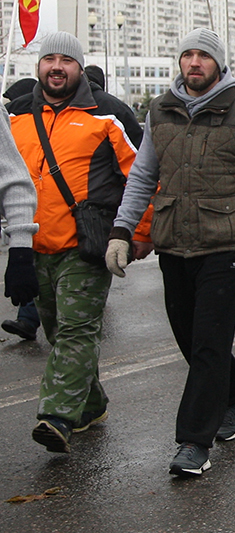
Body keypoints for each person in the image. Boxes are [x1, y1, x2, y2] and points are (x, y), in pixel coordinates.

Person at [106, 28, 235, 476]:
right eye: (187, 55)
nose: (194, 62)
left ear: (218, 64)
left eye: (203, 56)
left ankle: (194, 442)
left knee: (208, 343)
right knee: (192, 339)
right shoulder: (160, 111)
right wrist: (123, 229)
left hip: (224, 242)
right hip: (173, 241)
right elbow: (143, 176)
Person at [7, 32, 146, 453]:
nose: (56, 67)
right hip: (32, 246)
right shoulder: (14, 114)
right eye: (48, 58)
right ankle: (91, 403)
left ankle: (56, 416)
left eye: (65, 60)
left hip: (86, 246)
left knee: (76, 331)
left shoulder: (109, 114)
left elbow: (142, 178)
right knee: (53, 329)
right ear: (37, 66)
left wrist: (138, 234)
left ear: (79, 67)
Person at [2, 78, 40, 341]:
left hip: (70, 222)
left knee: (74, 331)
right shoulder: (16, 118)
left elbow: (14, 180)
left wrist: (19, 248)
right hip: (33, 219)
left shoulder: (104, 112)